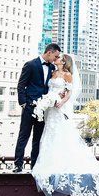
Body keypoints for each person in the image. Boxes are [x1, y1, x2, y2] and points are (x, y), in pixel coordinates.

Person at [30, 53, 99, 196]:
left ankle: (59, 163)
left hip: (59, 107)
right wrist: (47, 101)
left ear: (64, 62)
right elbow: (49, 89)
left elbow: (68, 93)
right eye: (55, 58)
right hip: (50, 109)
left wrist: (61, 102)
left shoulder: (68, 75)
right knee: (48, 135)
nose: (55, 60)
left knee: (59, 134)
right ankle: (46, 163)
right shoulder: (52, 72)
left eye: (58, 59)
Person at [14, 43, 62, 172]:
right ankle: (18, 165)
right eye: (55, 56)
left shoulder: (53, 68)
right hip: (29, 106)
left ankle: (34, 166)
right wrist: (23, 103)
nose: (56, 59)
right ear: (49, 52)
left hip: (44, 109)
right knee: (24, 136)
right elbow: (21, 85)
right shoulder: (30, 65)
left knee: (38, 139)